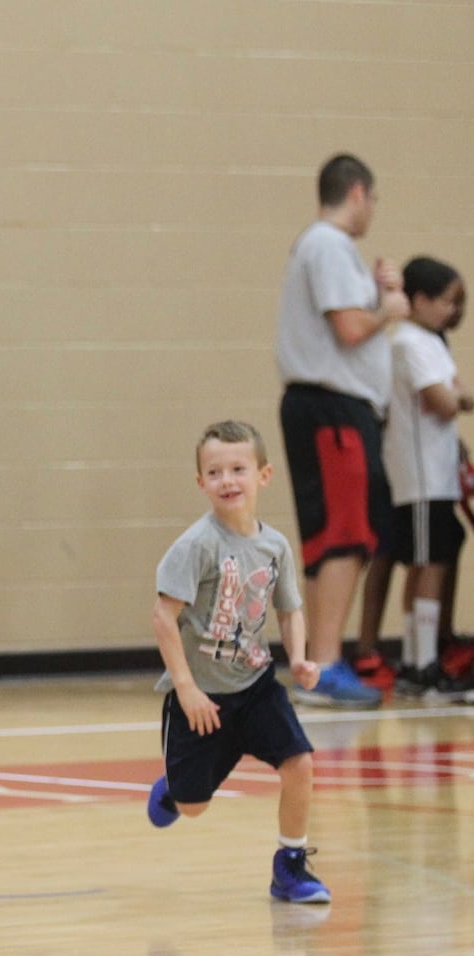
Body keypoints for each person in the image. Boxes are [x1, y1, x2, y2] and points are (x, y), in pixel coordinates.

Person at [147, 420, 331, 905]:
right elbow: (164, 619)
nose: (227, 480)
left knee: (300, 762)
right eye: (214, 471)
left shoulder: (274, 547)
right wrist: (186, 689)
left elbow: (289, 609)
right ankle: (172, 788)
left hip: (255, 686)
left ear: (263, 474)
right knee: (193, 806)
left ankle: (289, 868)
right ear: (200, 482)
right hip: (201, 698)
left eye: (238, 469)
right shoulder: (196, 546)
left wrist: (301, 659)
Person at [275, 152, 409, 708]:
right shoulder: (328, 243)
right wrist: (392, 308)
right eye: (373, 199)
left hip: (336, 411)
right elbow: (351, 328)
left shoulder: (329, 249)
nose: (373, 210)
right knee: (341, 538)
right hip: (332, 411)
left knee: (344, 536)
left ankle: (320, 658)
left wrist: (378, 295)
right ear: (357, 192)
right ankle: (324, 663)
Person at [381, 257, 472, 697]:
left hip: (438, 472)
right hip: (419, 476)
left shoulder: (432, 341)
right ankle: (420, 661)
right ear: (419, 300)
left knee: (436, 554)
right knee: (426, 561)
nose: (453, 312)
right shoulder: (409, 342)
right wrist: (463, 398)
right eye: (447, 302)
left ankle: (427, 653)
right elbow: (443, 400)